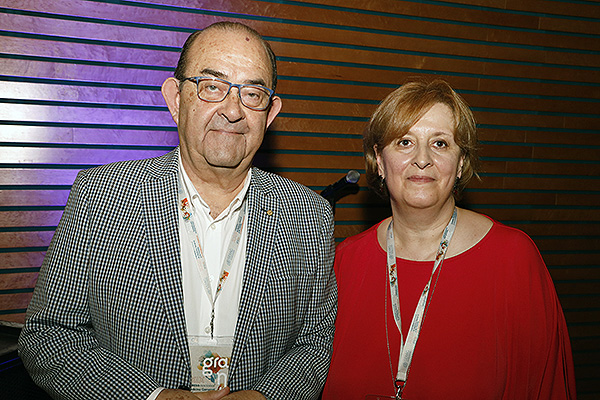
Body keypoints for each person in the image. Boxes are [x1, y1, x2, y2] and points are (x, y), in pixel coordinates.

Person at [18, 21, 336, 400]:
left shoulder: (309, 215)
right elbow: (49, 335)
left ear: (269, 113)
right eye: (212, 86)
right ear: (175, 98)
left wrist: (265, 396)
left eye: (252, 93)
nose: (232, 110)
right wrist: (153, 397)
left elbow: (315, 343)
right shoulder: (100, 197)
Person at [322, 80, 576, 399]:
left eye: (440, 143)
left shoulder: (513, 259)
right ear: (379, 159)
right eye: (404, 142)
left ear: (460, 164)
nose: (422, 159)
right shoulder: (344, 262)